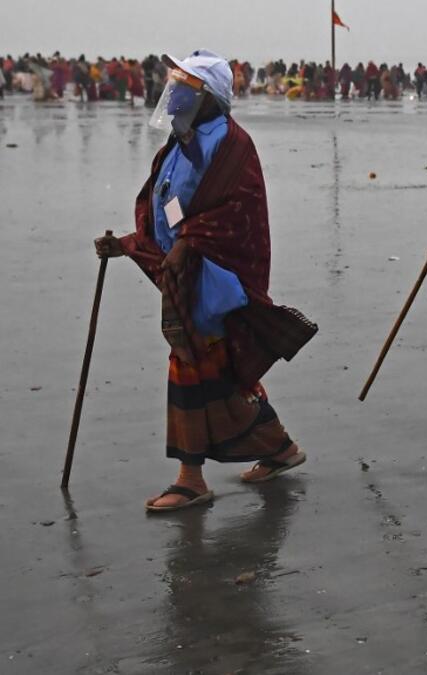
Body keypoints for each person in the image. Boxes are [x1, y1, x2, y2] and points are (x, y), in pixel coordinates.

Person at [92, 50, 317, 512]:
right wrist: (132, 243)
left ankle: (190, 478)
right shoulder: (181, 141)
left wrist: (189, 243)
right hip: (186, 273)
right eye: (174, 84)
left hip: (214, 278)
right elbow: (168, 210)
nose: (174, 94)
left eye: (186, 87)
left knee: (192, 365)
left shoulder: (232, 144)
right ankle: (279, 448)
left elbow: (236, 211)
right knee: (218, 371)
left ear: (210, 98)